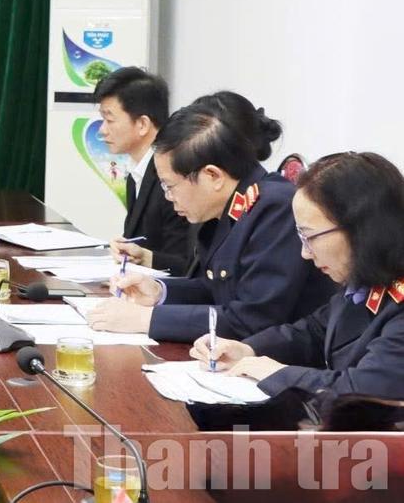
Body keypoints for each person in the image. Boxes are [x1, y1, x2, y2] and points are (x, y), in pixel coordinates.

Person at [87, 92, 335, 342]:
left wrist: (146, 320)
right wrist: (159, 291)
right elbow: (215, 291)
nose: (169, 197)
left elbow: (252, 320)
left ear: (213, 176)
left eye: (169, 186)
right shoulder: (231, 208)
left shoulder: (275, 208)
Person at [193, 152, 404, 408]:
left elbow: (363, 391)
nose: (305, 253)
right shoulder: (368, 276)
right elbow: (315, 331)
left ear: (361, 230)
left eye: (310, 237)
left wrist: (276, 374)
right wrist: (248, 350)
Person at [94, 67, 195, 275]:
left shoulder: (173, 176)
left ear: (142, 124)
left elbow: (189, 265)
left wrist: (144, 257)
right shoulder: (137, 174)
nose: (102, 130)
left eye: (110, 120)